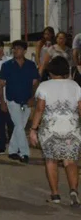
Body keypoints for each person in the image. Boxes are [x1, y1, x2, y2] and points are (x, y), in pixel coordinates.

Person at [27, 56, 81, 207]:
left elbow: (39, 109)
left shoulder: (44, 86)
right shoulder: (75, 85)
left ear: (50, 71)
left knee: (51, 160)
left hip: (51, 129)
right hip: (71, 128)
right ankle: (73, 191)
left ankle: (55, 194)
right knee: (70, 161)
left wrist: (33, 129)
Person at [0, 40, 40, 164]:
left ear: (25, 51)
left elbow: (35, 83)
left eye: (18, 48)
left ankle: (12, 151)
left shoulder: (31, 65)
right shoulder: (7, 65)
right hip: (12, 100)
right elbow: (0, 85)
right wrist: (2, 102)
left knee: (19, 126)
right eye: (14, 48)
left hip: (26, 101)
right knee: (20, 126)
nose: (16, 51)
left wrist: (33, 97)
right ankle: (24, 153)